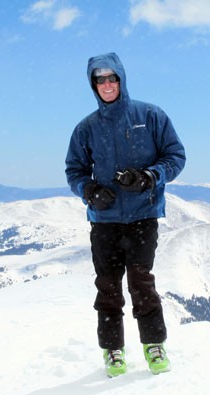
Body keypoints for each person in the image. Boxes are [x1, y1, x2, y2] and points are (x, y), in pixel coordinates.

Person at [65, 52, 186, 377]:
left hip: (142, 216)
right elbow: (74, 170)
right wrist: (89, 191)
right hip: (104, 221)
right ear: (93, 84)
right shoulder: (86, 128)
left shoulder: (151, 116)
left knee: (141, 283)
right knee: (107, 286)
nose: (106, 84)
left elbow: (175, 155)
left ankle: (154, 345)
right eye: (99, 80)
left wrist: (149, 176)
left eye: (111, 78)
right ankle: (113, 351)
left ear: (121, 79)